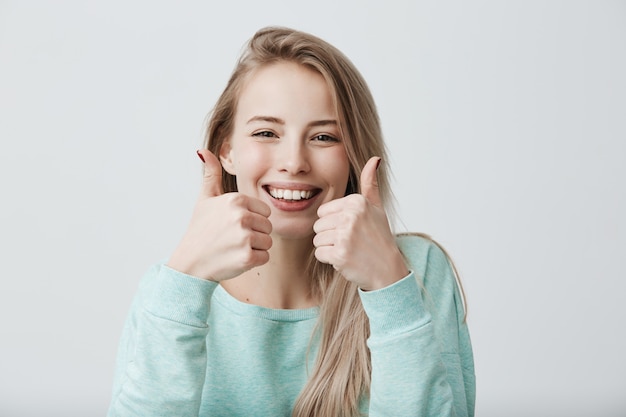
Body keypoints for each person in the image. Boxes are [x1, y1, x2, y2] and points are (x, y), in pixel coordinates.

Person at [107, 26, 475, 417]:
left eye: (324, 138)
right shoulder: (170, 289)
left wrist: (389, 288)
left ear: (355, 155)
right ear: (226, 151)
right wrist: (185, 281)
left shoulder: (414, 273)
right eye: (267, 132)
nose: (294, 162)